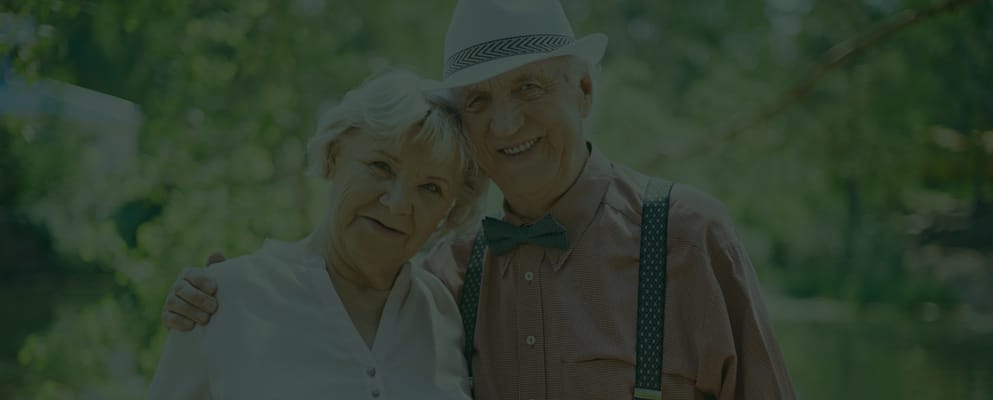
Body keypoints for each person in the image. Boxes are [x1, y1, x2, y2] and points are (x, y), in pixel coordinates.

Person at [162, 0, 798, 399]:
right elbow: (336, 295)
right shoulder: (447, 280)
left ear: (582, 87)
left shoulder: (687, 236)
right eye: (479, 102)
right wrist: (230, 300)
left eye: (528, 88)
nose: (504, 125)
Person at [147, 69, 487, 399]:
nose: (398, 204)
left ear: (450, 210)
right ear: (336, 153)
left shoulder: (442, 311)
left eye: (430, 188)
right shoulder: (222, 298)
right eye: (381, 167)